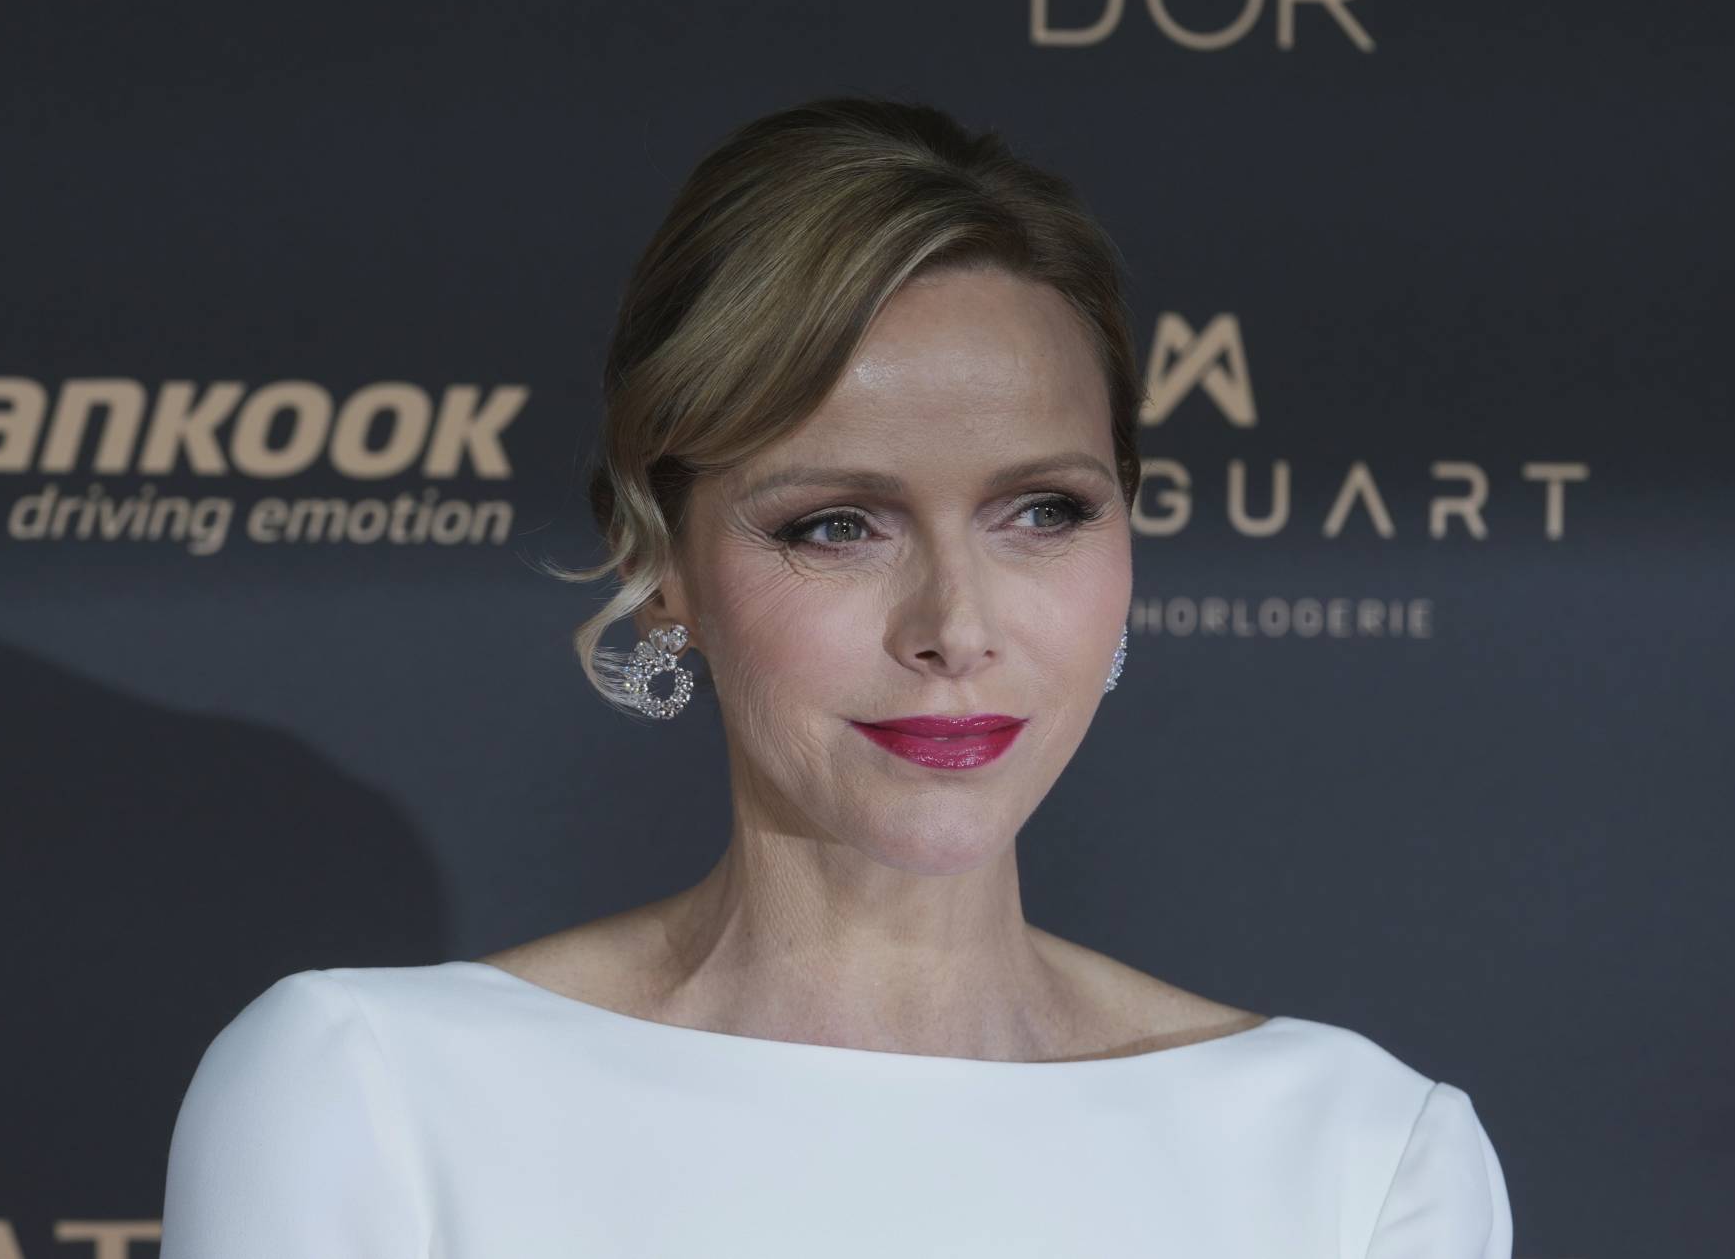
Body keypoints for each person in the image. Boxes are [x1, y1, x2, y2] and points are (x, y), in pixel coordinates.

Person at [159, 95, 1512, 1257]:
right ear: (660, 559)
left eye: (1043, 511)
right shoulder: (374, 1098)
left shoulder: (1357, 1160)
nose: (954, 626)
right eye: (836, 525)